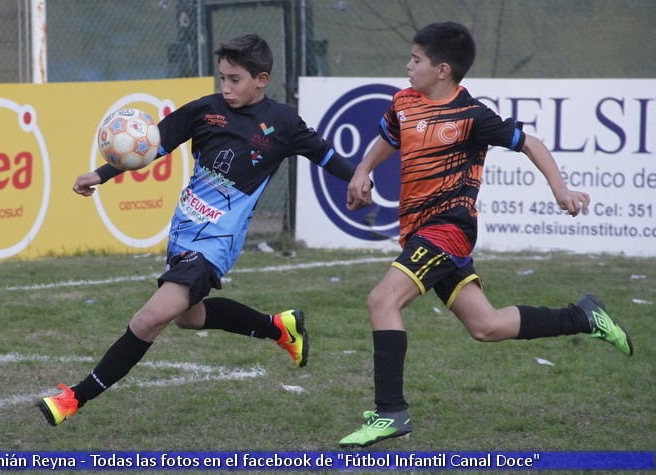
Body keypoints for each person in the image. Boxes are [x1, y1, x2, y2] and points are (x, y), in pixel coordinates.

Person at [38, 33, 358, 427]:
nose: (226, 87)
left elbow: (326, 155)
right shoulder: (206, 110)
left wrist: (359, 180)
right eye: (222, 77)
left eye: (235, 79)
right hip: (184, 230)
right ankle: (279, 328)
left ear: (262, 79)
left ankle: (74, 397)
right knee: (188, 318)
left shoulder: (283, 123)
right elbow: (151, 145)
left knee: (147, 320)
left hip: (216, 242)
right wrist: (101, 173)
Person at [340, 21, 634, 448]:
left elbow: (529, 142)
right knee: (487, 325)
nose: (408, 66)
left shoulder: (471, 115)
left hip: (448, 230)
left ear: (442, 69)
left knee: (382, 300)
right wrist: (363, 172)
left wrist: (560, 189)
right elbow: (389, 136)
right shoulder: (404, 101)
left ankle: (391, 413)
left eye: (415, 59)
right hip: (419, 231)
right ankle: (584, 316)